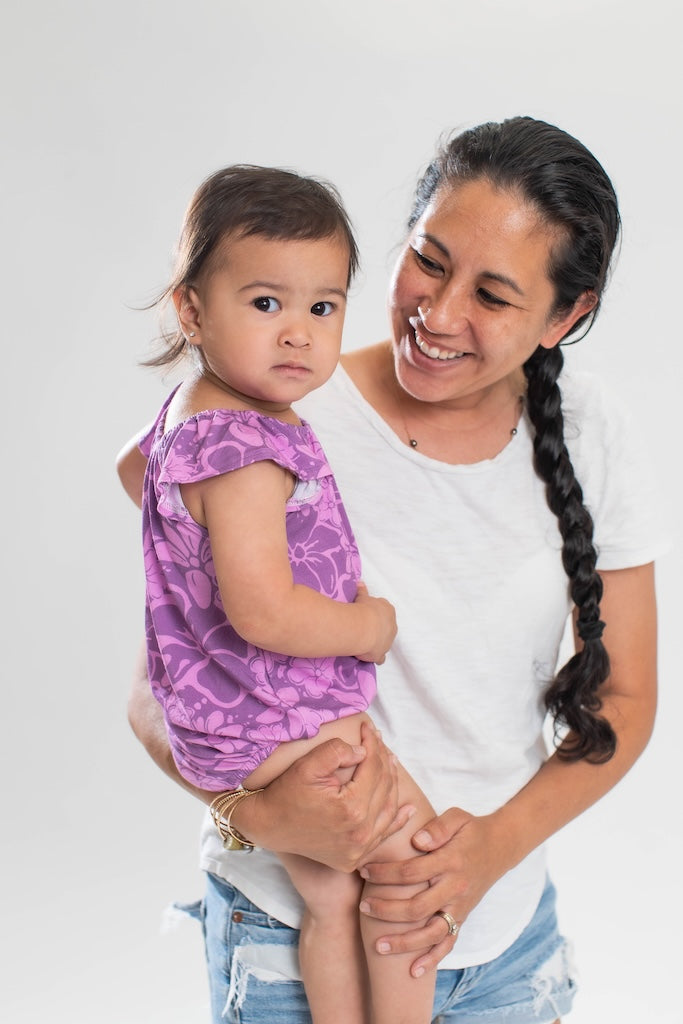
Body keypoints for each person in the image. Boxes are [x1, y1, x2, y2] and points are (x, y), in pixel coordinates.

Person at [120, 117, 665, 1024]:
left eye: (493, 295)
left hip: (501, 948)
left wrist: (487, 851)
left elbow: (627, 699)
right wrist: (250, 817)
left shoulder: (591, 430)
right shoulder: (277, 402)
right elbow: (157, 683)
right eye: (428, 260)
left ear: (564, 317)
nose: (438, 314)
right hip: (289, 938)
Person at [120, 164, 440, 1024]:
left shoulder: (188, 415)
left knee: (335, 898)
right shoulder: (249, 452)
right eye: (265, 304)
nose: (297, 334)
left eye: (322, 307)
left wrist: (187, 554)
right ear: (191, 308)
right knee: (413, 876)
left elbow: (133, 475)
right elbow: (262, 613)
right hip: (278, 717)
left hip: (223, 721)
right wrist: (363, 625)